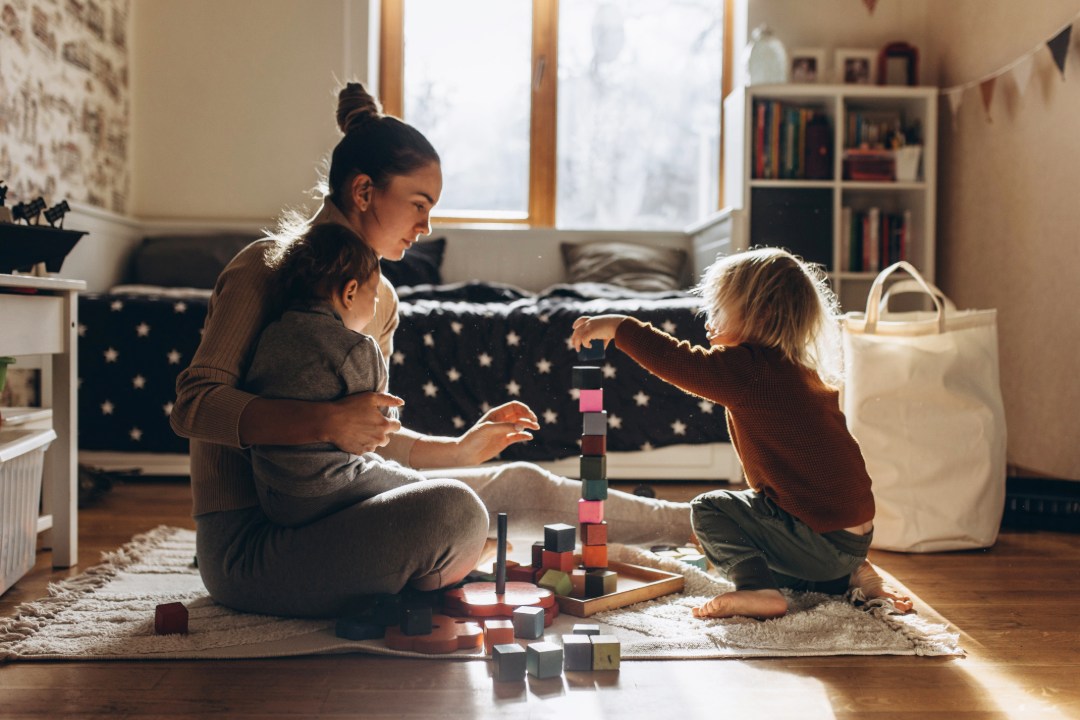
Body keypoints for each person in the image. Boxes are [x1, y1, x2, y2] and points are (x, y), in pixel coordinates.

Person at [170, 82, 692, 618]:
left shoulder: (383, 299)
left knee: (515, 482)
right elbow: (194, 406)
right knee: (453, 513)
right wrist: (325, 421)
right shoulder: (263, 267)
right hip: (252, 546)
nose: (426, 227)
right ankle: (438, 566)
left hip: (341, 506)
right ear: (364, 191)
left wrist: (459, 450)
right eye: (419, 205)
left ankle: (698, 524)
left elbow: (366, 437)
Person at [570, 247, 913, 620]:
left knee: (710, 510)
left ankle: (758, 590)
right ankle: (848, 573)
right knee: (753, 534)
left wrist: (620, 327)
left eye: (718, 311)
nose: (707, 322)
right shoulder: (798, 369)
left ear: (759, 314)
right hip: (853, 536)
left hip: (820, 536)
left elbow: (678, 360)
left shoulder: (749, 368)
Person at [244, 222, 430, 528]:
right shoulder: (356, 347)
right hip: (329, 485)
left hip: (274, 495)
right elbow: (381, 420)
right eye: (374, 299)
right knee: (424, 489)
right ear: (350, 292)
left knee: (373, 467)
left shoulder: (270, 334)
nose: (373, 310)